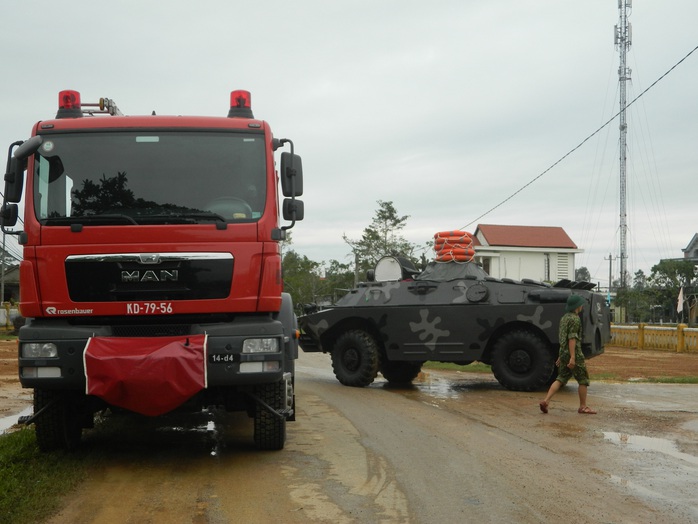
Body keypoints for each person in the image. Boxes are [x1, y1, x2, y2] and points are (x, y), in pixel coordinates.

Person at [539, 294, 597, 415]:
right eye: (581, 304)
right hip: (574, 352)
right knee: (583, 379)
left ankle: (546, 401)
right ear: (577, 306)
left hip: (563, 352)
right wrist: (573, 357)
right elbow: (572, 339)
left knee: (561, 378)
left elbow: (563, 338)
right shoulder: (575, 319)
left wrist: (562, 355)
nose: (582, 306)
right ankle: (583, 407)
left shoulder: (564, 318)